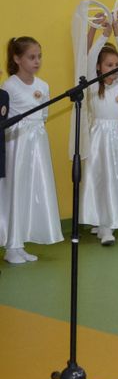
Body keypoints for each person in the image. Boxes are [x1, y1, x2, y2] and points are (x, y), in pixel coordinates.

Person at [1, 36, 63, 264]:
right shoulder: (9, 86)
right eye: (31, 57)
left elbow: (43, 115)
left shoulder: (43, 86)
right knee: (15, 191)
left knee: (30, 191)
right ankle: (11, 246)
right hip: (17, 145)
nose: (37, 61)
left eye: (39, 56)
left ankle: (20, 243)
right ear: (17, 59)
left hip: (37, 144)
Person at [81, 16, 118, 245]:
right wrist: (103, 34)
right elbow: (89, 56)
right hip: (100, 137)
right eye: (109, 65)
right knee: (101, 178)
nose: (114, 69)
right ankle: (104, 225)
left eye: (116, 65)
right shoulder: (95, 85)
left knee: (117, 177)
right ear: (98, 67)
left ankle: (109, 220)